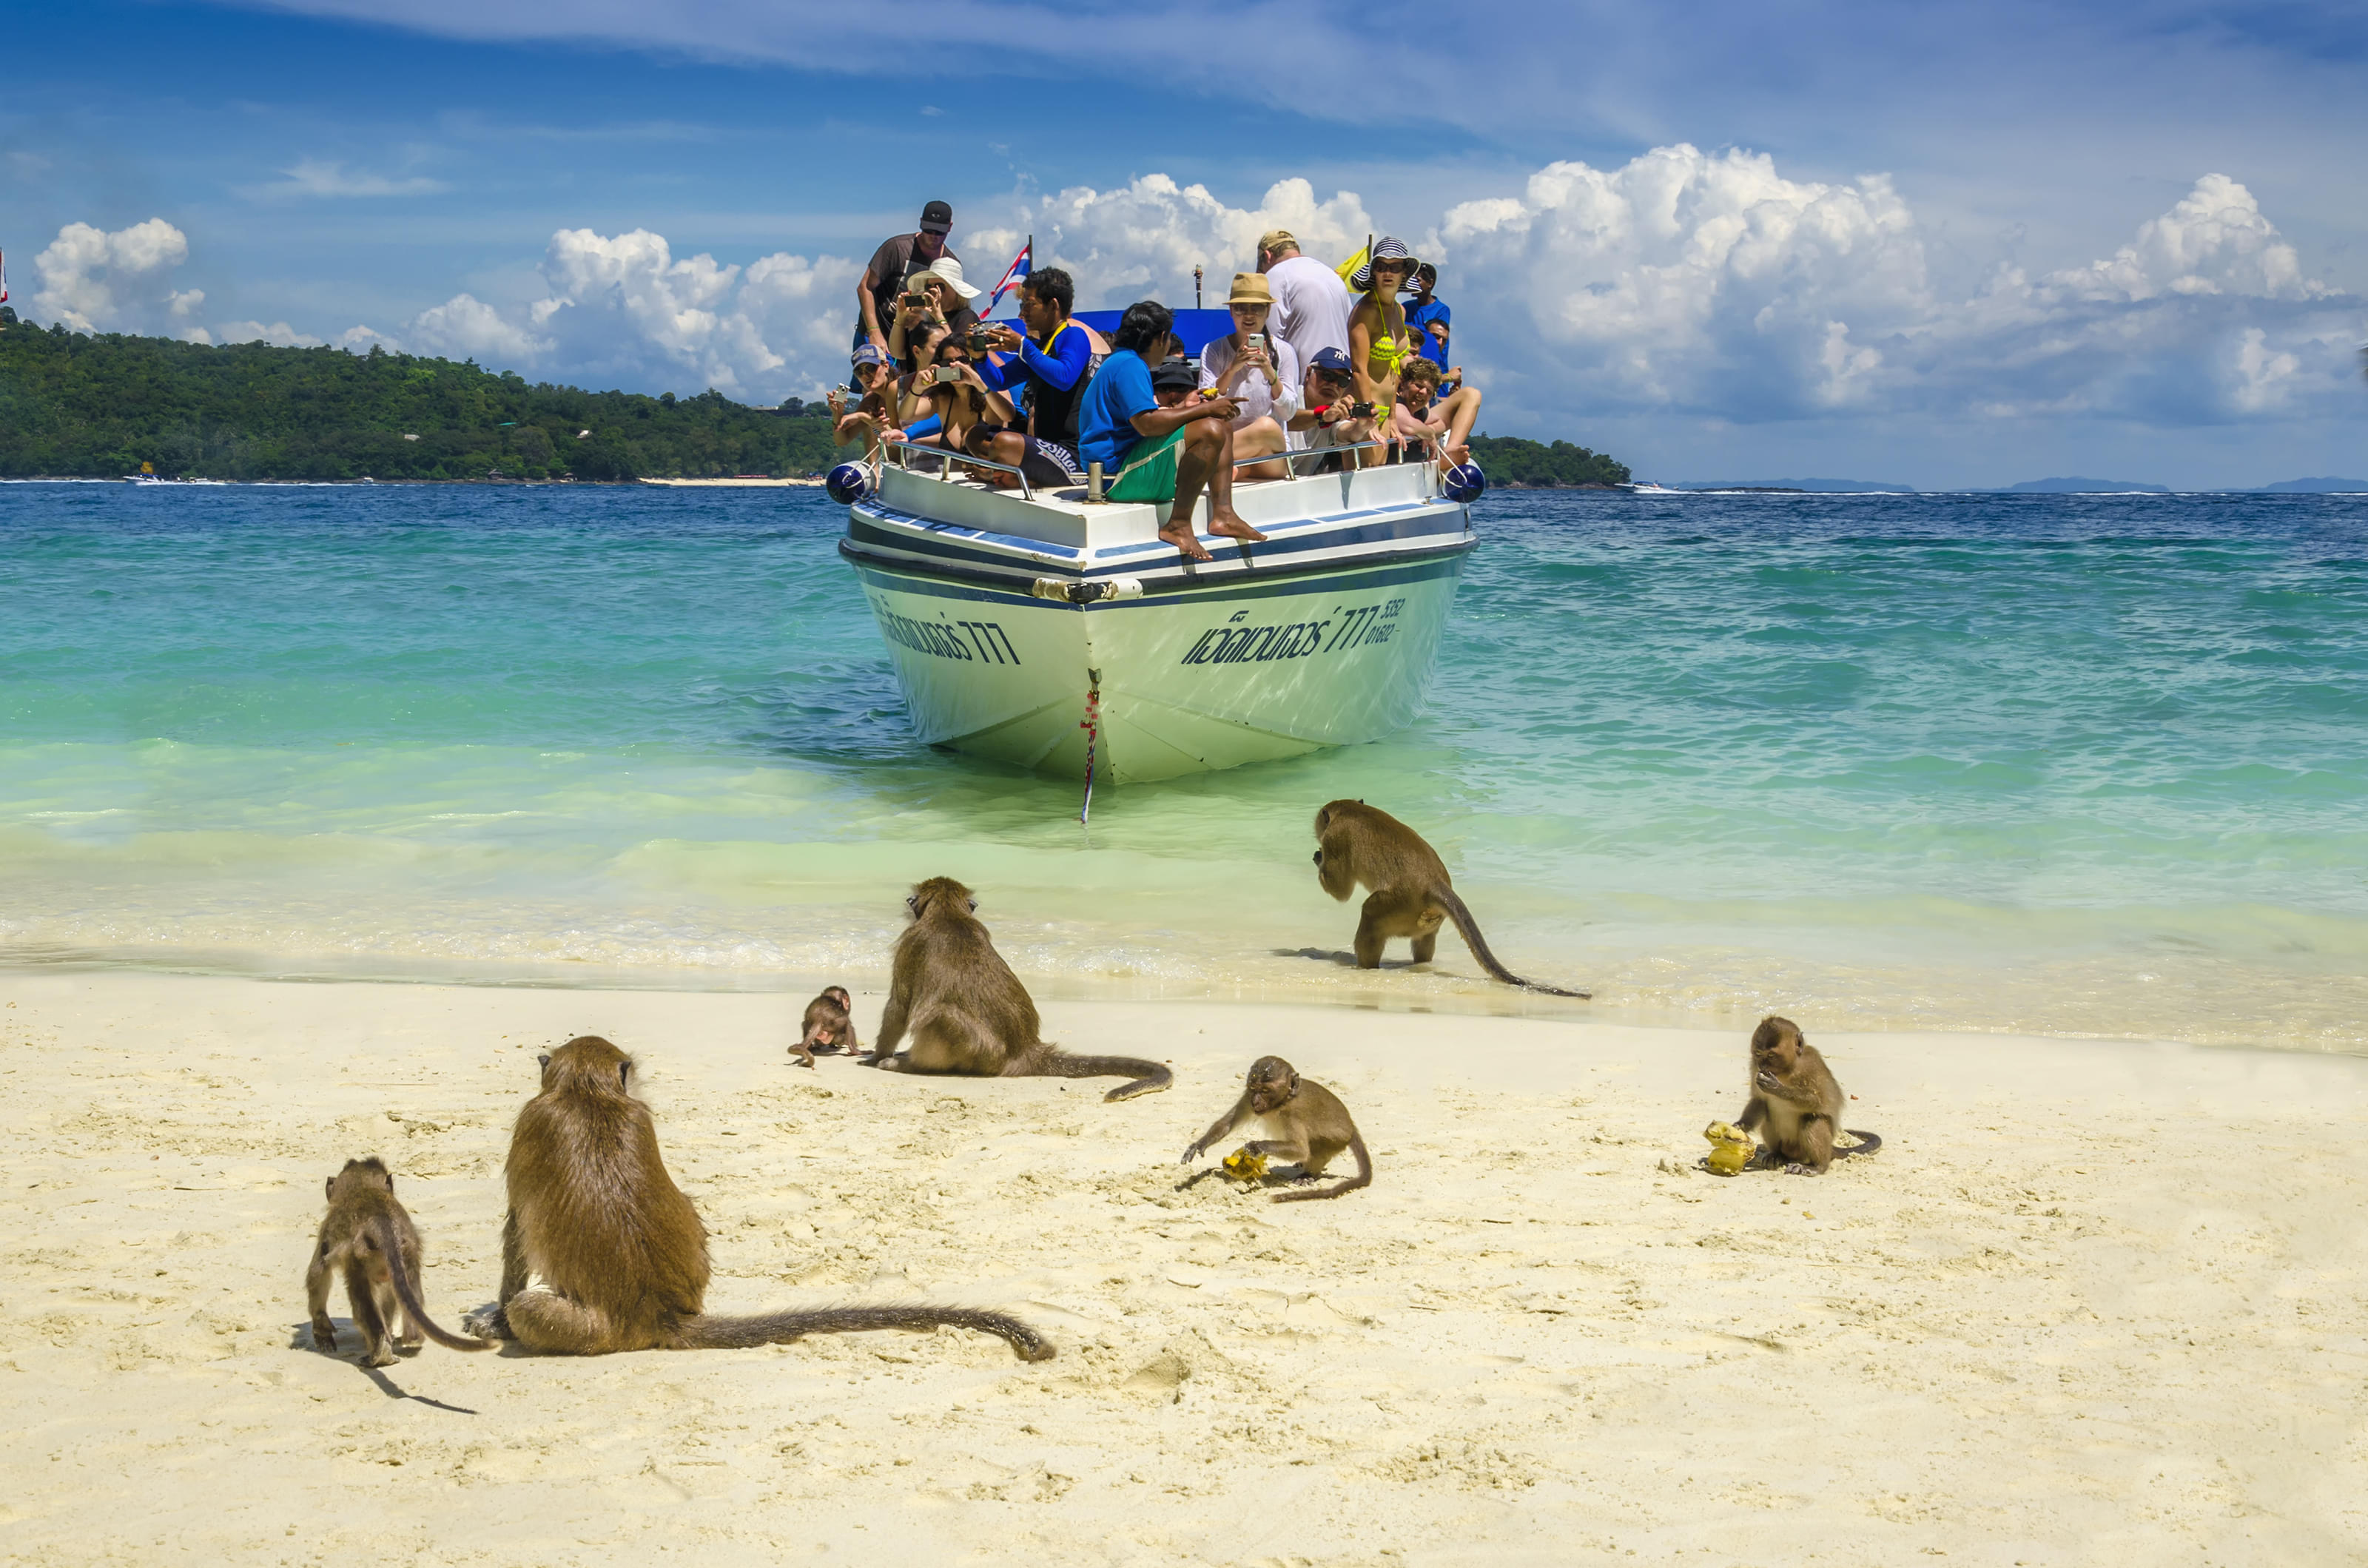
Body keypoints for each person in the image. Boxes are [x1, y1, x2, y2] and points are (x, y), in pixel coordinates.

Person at [1075, 300, 1266, 560]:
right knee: (1211, 428)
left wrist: (1204, 410)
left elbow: (1145, 419)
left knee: (1222, 426)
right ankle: (1177, 525)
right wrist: (1204, 410)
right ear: (1162, 338)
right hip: (1114, 476)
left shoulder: (1121, 361)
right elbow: (1147, 424)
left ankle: (1224, 515)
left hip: (1118, 464)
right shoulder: (1130, 365)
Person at [975, 267, 1096, 446]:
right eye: (1021, 305)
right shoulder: (1036, 347)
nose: (1021, 314)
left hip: (1071, 448)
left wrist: (1022, 346)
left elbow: (1064, 378)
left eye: (1029, 305)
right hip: (1046, 445)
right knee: (977, 437)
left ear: (1053, 306)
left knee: (1002, 443)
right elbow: (999, 381)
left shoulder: (1074, 335)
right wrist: (980, 358)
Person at [1196, 272, 1297, 481]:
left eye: (1257, 308)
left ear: (1268, 311)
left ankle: (1214, 462)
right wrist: (1232, 369)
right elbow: (1205, 404)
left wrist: (1270, 373)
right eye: (1241, 308)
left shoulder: (1284, 352)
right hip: (1233, 447)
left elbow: (1289, 413)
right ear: (1231, 311)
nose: (1249, 316)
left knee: (1267, 426)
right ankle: (1236, 469)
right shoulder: (1214, 350)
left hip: (1273, 453)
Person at [855, 200, 958, 357]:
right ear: (921, 223)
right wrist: (874, 331)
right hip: (878, 330)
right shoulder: (897, 247)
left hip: (914, 340)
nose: (933, 236)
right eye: (929, 230)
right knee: (868, 379)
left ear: (950, 228)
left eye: (940, 232)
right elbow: (865, 287)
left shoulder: (949, 264)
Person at [1346, 235, 1416, 438]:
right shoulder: (1365, 311)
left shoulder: (1399, 311)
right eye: (1381, 266)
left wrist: (1393, 417)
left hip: (1386, 410)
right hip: (1365, 410)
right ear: (1373, 271)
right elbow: (1359, 369)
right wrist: (1366, 418)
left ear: (1404, 273)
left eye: (1395, 267)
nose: (1387, 273)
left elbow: (1392, 371)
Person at [1256, 228, 1351, 371]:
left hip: (1303, 384)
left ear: (1268, 256)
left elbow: (1270, 341)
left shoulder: (1274, 276)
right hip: (1341, 380)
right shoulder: (1332, 276)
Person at [1286, 346, 1381, 473]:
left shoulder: (1336, 411)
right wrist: (1323, 416)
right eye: (1327, 376)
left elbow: (1346, 433)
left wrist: (1361, 427)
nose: (1334, 385)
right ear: (1309, 373)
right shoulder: (1289, 398)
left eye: (1342, 381)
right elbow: (1288, 420)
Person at [1388, 357, 1483, 468]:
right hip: (1389, 473)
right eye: (1418, 386)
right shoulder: (1395, 403)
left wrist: (1428, 431)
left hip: (1412, 470)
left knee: (1472, 394)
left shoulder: (1420, 413)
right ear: (1403, 383)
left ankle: (1450, 452)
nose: (1423, 392)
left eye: (1429, 391)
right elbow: (1408, 425)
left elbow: (1440, 422)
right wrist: (1429, 434)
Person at [827, 343, 902, 457]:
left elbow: (903, 439)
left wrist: (864, 417)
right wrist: (837, 416)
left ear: (886, 366)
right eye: (859, 372)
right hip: (895, 467)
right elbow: (842, 441)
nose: (866, 376)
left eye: (870, 368)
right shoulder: (871, 401)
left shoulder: (902, 390)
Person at [1402, 262, 1451, 370]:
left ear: (1430, 283)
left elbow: (1437, 338)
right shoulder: (1406, 307)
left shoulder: (1441, 310)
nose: (1413, 284)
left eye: (1417, 281)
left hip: (1432, 363)